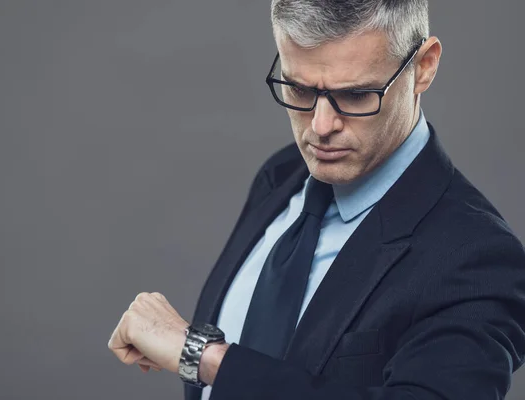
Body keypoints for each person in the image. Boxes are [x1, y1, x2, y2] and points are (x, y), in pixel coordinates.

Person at [108, 0, 525, 399]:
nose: (321, 127)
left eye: (357, 95)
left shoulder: (480, 259)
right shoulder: (281, 176)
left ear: (423, 66)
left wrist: (204, 356)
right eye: (299, 89)